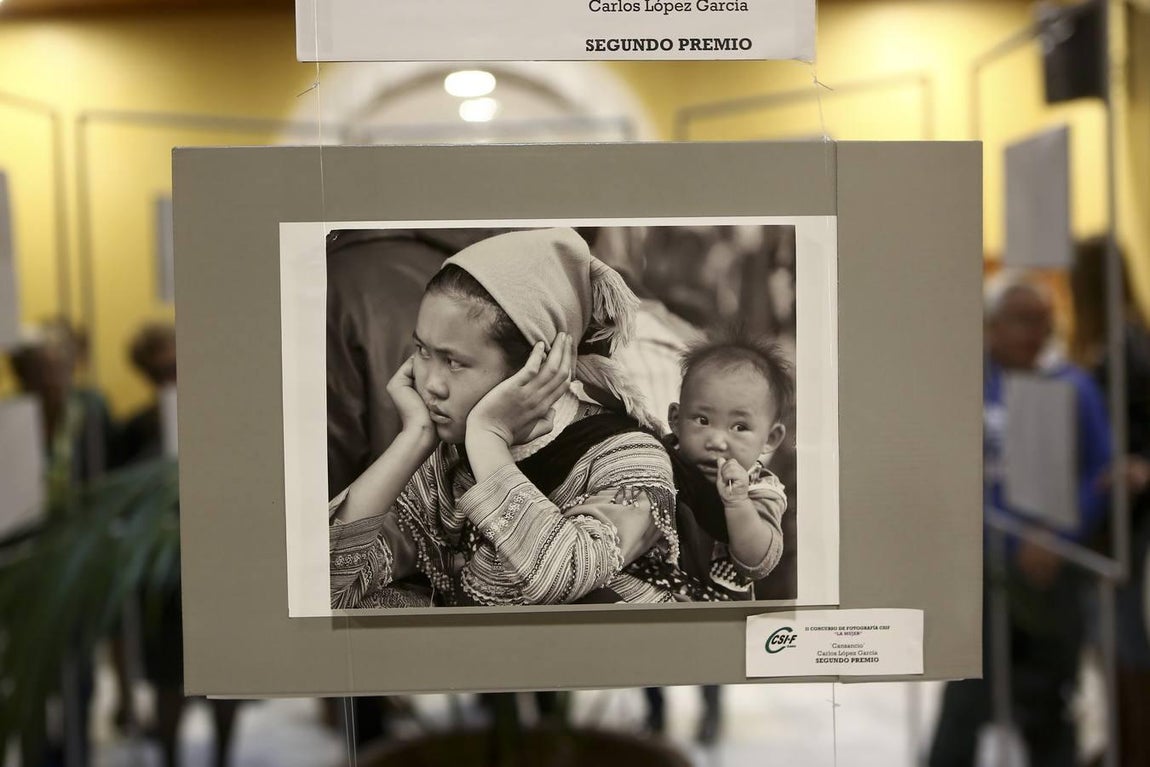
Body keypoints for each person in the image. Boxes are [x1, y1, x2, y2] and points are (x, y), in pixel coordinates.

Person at [329, 227, 684, 609]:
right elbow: (324, 586)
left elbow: (558, 576)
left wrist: (489, 438)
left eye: (454, 362)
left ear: (537, 364)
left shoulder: (629, 459)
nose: (430, 383)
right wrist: (412, 439)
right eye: (422, 350)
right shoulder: (441, 465)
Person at [928, 271, 1112, 767]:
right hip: (982, 572)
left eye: (1045, 321)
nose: (1037, 332)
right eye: (1024, 320)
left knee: (1050, 710)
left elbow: (1100, 471)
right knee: (965, 704)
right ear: (992, 325)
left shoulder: (1072, 386)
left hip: (1052, 571)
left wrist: (1058, 535)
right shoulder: (964, 384)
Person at [1069, 237, 1150, 763]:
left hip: (1124, 518)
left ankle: (1134, 748)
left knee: (1124, 643)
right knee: (1113, 641)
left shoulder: (1122, 347)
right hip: (1115, 516)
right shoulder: (1124, 340)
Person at [666, 327, 790, 597]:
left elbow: (758, 562)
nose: (717, 441)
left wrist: (738, 503)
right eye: (703, 420)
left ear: (770, 438)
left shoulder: (761, 488)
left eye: (739, 427)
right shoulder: (659, 457)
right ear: (675, 419)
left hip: (718, 607)